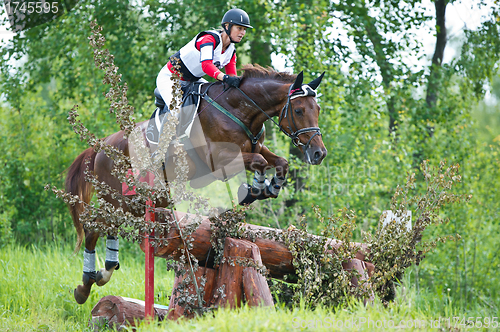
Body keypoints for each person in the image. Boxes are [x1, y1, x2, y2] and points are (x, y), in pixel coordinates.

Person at [156, 8, 252, 117]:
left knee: (213, 102)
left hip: (193, 80)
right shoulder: (208, 39)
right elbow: (206, 66)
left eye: (244, 29)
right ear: (227, 26)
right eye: (239, 28)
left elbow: (232, 77)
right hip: (170, 78)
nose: (243, 33)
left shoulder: (231, 51)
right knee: (179, 114)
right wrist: (225, 78)